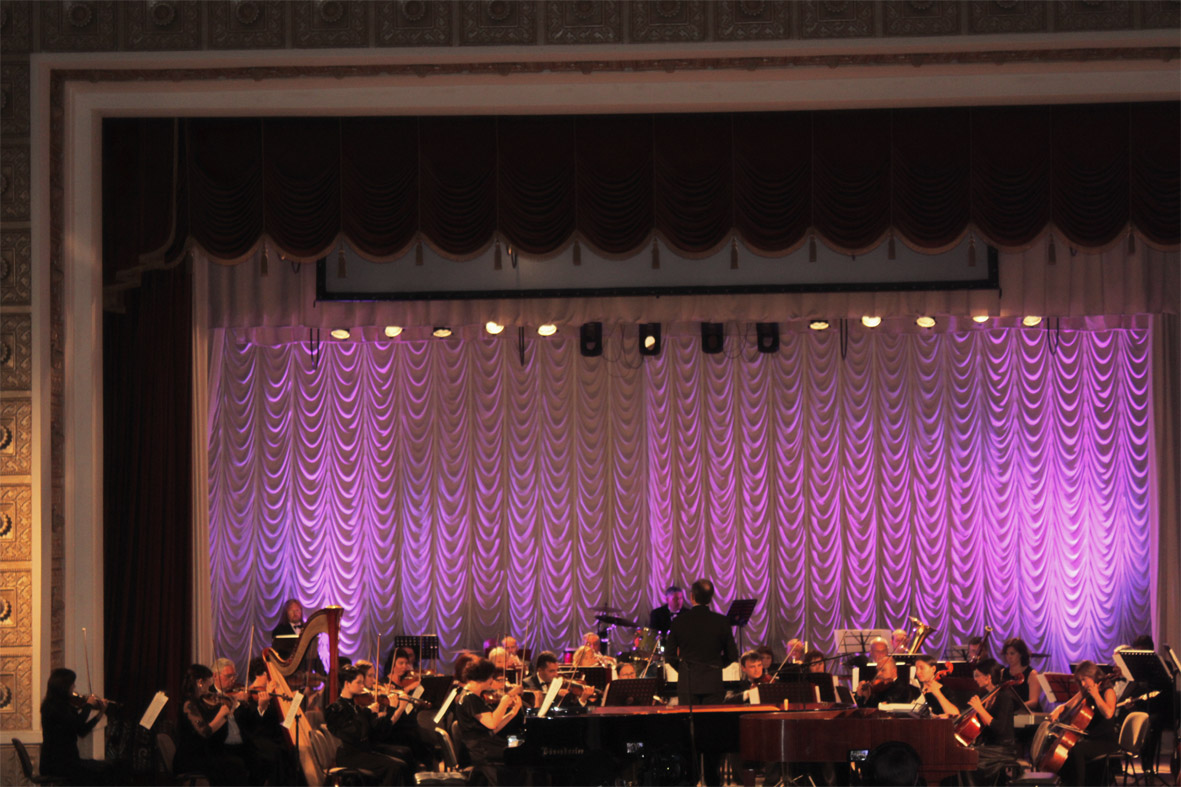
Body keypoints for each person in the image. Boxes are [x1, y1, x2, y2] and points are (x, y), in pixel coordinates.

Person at [665, 578, 739, 787]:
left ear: (691, 597)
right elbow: (733, 655)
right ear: (711, 598)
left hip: (687, 685)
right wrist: (715, 667)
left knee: (690, 736)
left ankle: (692, 779)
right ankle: (713, 781)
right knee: (712, 735)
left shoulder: (679, 621)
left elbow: (669, 656)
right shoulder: (721, 621)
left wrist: (685, 670)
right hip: (713, 685)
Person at [324, 664, 410, 786]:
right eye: (358, 682)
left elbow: (377, 731)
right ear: (347, 684)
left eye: (362, 682)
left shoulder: (357, 706)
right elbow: (353, 733)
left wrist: (391, 710)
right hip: (350, 755)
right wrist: (367, 712)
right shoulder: (335, 709)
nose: (362, 686)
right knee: (393, 768)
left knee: (401, 765)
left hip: (363, 751)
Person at [38, 668, 123, 785]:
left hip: (68, 761)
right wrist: (88, 705)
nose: (74, 686)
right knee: (105, 772)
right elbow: (77, 722)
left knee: (111, 767)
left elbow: (81, 730)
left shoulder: (64, 706)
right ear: (64, 686)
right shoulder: (52, 707)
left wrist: (101, 713)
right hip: (57, 764)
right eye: (72, 684)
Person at [175, 664, 250, 786]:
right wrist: (221, 714)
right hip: (190, 757)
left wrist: (229, 712)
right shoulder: (189, 704)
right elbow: (205, 732)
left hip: (203, 752)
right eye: (208, 684)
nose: (209, 689)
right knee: (234, 767)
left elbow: (214, 726)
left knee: (237, 763)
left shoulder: (200, 701)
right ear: (200, 682)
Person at [454, 657, 525, 786]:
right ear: (484, 677)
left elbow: (493, 727)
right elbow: (492, 723)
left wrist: (513, 712)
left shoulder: (471, 696)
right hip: (482, 751)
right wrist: (505, 700)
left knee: (520, 754)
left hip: (484, 746)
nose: (492, 680)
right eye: (491, 676)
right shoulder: (470, 698)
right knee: (521, 758)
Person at [1051, 660, 1120, 786]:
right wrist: (1058, 710)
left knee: (1078, 750)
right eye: (1080, 681)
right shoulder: (1085, 691)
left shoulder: (1108, 691)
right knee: (1066, 750)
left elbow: (1108, 714)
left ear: (1092, 675)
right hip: (1090, 738)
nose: (1082, 684)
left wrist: (1096, 696)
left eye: (1084, 679)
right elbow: (1068, 705)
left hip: (1106, 741)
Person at [235, 657, 298, 787]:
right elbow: (252, 723)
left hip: (271, 737)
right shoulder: (249, 694)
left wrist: (292, 702)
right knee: (277, 752)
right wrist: (262, 707)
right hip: (255, 739)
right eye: (268, 674)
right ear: (260, 675)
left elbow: (282, 719)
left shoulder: (273, 692)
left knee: (291, 749)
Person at [963, 658, 1019, 785]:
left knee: (967, 758)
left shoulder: (1004, 697)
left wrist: (980, 709)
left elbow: (999, 728)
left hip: (1003, 750)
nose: (975, 679)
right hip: (989, 747)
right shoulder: (987, 697)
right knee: (963, 756)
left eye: (977, 675)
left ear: (988, 677)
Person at [523, 650, 594, 707]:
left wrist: (582, 699)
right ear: (540, 670)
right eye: (551, 671)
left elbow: (571, 710)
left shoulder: (560, 685)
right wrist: (554, 694)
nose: (556, 674)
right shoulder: (528, 683)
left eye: (556, 670)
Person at [1001, 637, 1042, 710]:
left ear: (1020, 654)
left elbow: (1034, 702)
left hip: (1027, 713)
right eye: (1007, 654)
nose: (1009, 657)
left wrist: (1013, 708)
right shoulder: (1003, 672)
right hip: (1009, 713)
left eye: (1012, 653)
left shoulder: (1032, 674)